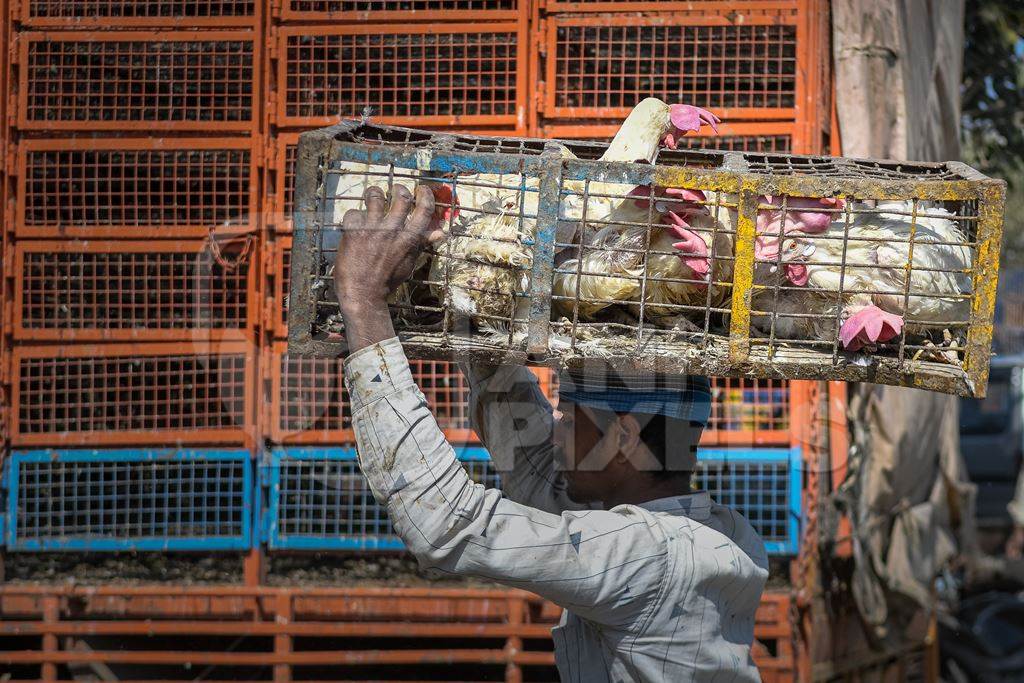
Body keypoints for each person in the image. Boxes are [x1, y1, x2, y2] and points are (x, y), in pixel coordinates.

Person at [334, 184, 769, 682]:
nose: (557, 433)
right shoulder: (722, 533)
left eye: (567, 416)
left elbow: (449, 527)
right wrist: (470, 311)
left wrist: (364, 306)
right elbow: (538, 474)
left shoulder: (645, 556)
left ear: (623, 438)